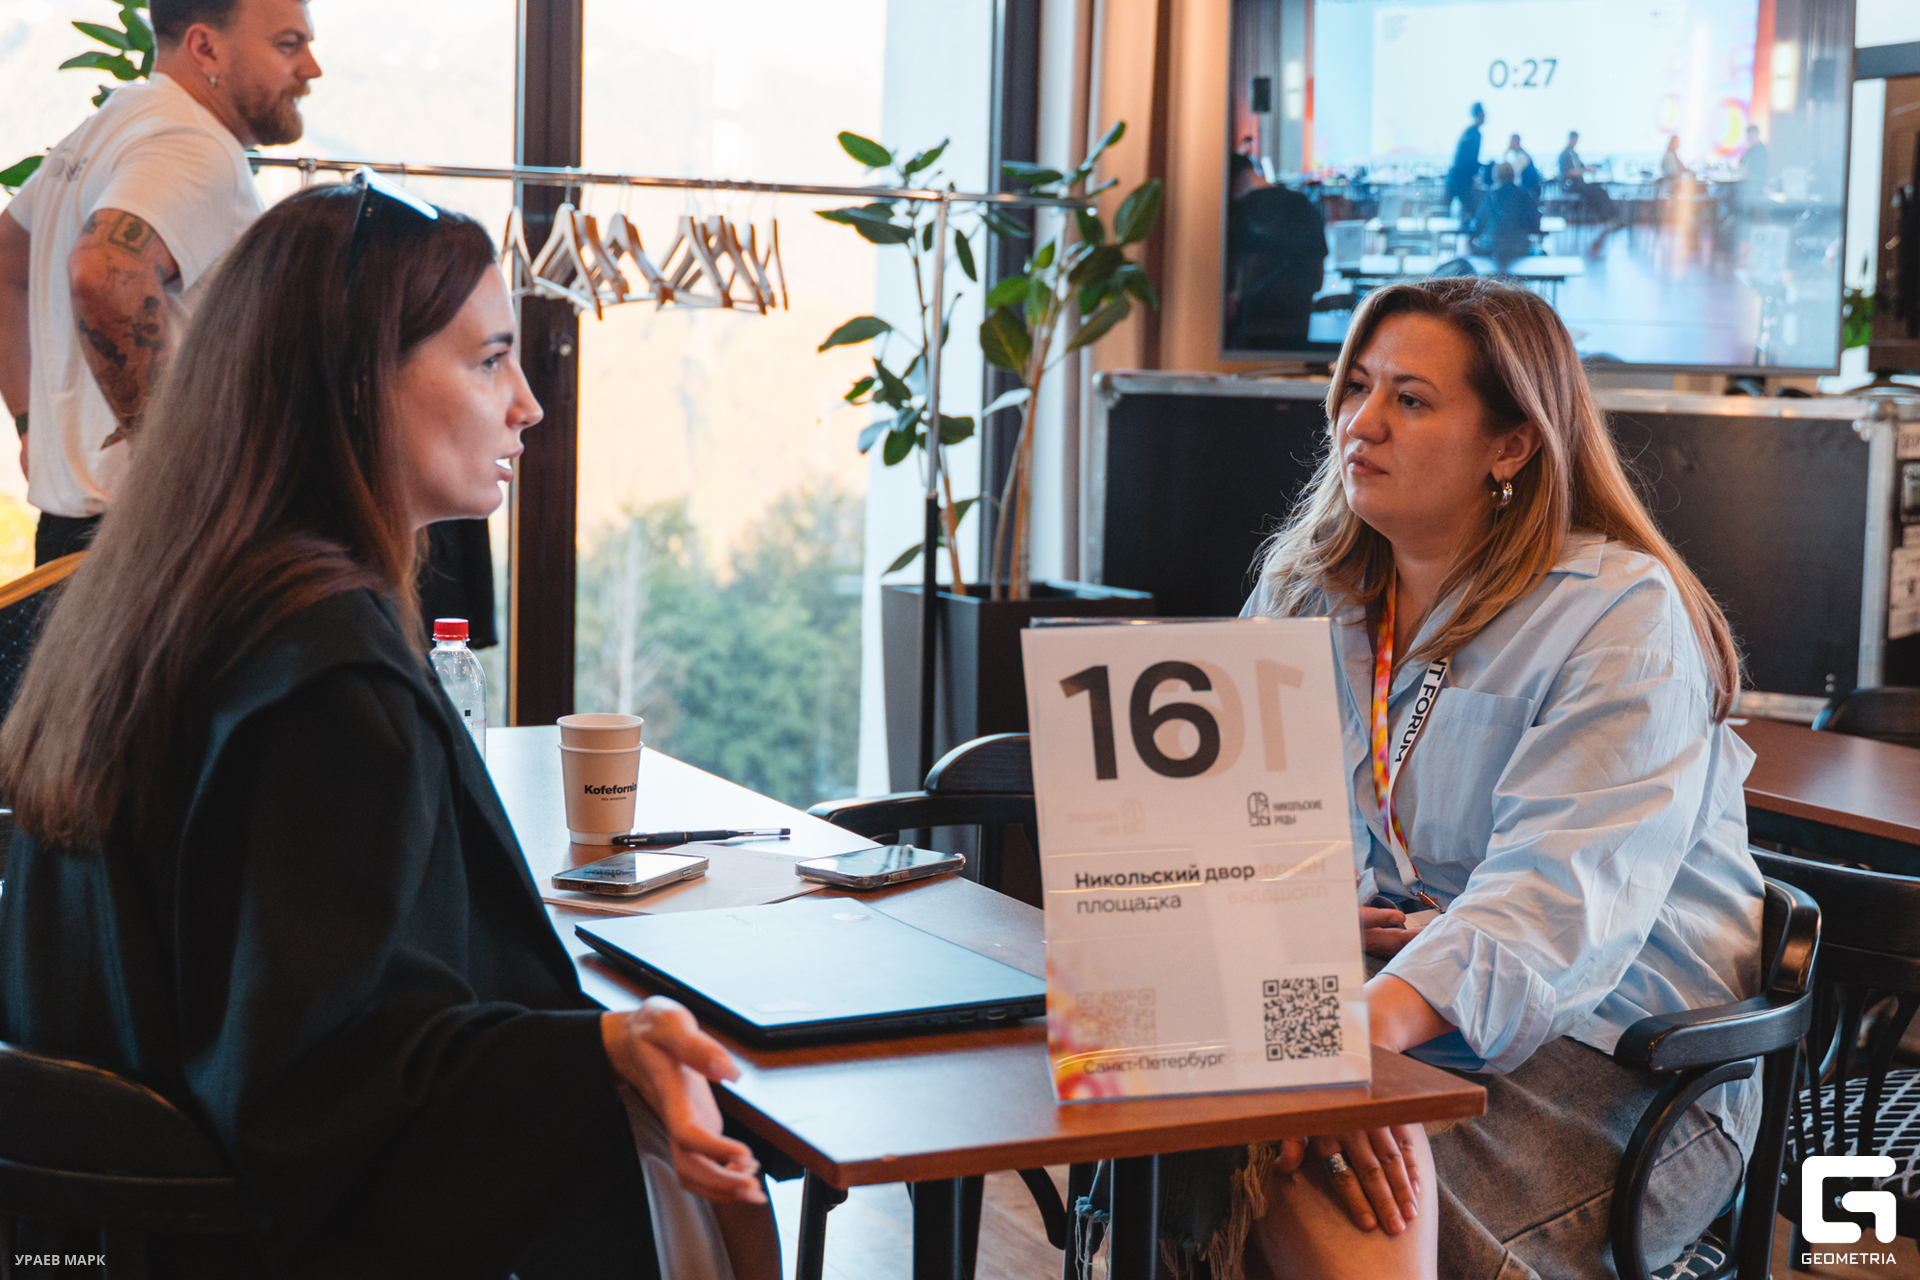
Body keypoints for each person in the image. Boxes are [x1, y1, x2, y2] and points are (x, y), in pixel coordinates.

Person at [0, 180, 774, 1277]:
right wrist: (606, 1045)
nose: (526, 404)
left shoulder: (155, 603)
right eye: (489, 360)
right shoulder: (323, 683)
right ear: (355, 382)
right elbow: (325, 1103)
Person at [1167, 276, 1762, 1280]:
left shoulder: (1621, 615)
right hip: (1382, 1006)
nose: (1361, 423)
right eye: (1357, 387)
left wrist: (1353, 1047)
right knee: (1183, 1112)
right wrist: (1313, 951)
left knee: (1286, 1151)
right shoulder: (1306, 591)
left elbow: (1547, 911)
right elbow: (1249, 845)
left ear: (1512, 445)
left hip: (1621, 1064)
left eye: (1410, 399)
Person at [0, 0, 320, 566]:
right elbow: (104, 271)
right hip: (154, 536)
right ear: (205, 48)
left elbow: (6, 263)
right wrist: (170, 466)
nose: (311, 67)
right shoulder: (193, 144)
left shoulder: (116, 122)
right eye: (287, 45)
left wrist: (30, 425)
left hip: (77, 533)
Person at [1226, 154, 1330, 351]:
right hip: (1297, 337)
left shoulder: (1236, 214)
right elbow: (1318, 280)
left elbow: (1231, 300)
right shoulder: (1303, 205)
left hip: (1242, 345)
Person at [1464, 162, 1539, 271]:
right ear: (1514, 175)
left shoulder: (1489, 196)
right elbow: (1534, 225)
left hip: (1493, 248)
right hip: (1520, 247)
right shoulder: (1525, 195)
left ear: (1497, 176)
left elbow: (1478, 225)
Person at [1555, 130, 1619, 227]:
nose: (1576, 142)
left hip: (1580, 183)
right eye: (1575, 140)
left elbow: (1582, 167)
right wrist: (1585, 170)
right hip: (1572, 185)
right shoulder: (1564, 155)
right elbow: (1568, 173)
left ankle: (1613, 218)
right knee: (1598, 193)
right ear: (1571, 139)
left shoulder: (1574, 154)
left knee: (1601, 189)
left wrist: (1592, 167)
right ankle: (1607, 219)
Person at [1444, 104, 1485, 218]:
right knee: (1468, 213)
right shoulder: (1474, 134)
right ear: (1478, 115)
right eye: (1483, 114)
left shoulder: (1469, 132)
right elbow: (1469, 159)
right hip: (1461, 179)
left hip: (1459, 178)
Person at [1501, 134, 1540, 199]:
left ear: (1516, 142)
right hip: (1527, 187)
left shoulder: (1522, 155)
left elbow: (1515, 173)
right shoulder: (1518, 154)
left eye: (1511, 142)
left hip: (1529, 188)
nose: (1510, 144)